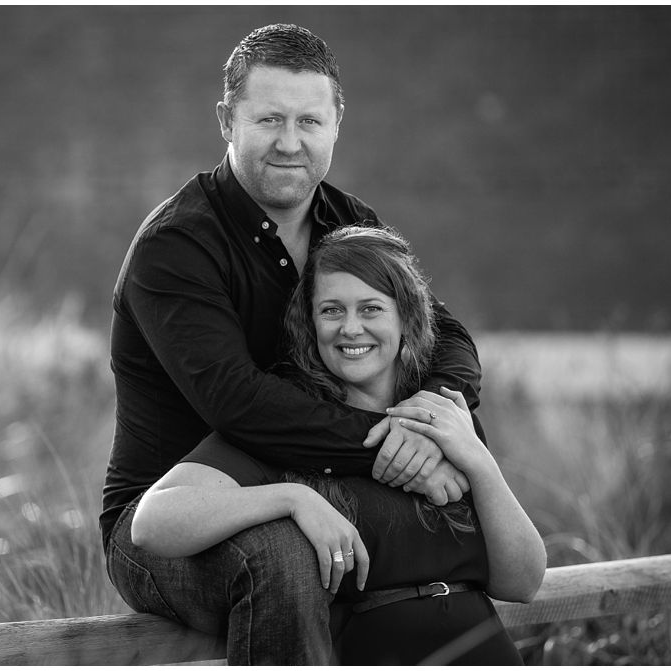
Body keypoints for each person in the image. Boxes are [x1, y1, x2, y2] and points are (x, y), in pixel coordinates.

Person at [102, 23, 485, 664]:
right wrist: (390, 450)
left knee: (435, 545)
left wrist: (435, 423)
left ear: (337, 122)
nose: (289, 142)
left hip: (321, 491)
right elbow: (238, 402)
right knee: (283, 554)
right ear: (228, 120)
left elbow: (443, 334)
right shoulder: (177, 246)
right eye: (269, 120)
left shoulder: (350, 223)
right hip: (171, 523)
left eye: (309, 121)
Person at [131, 226, 547, 664]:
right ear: (309, 323)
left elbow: (522, 581)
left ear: (406, 319)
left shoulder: (441, 419)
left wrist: (477, 460)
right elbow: (153, 521)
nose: (351, 328)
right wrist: (293, 498)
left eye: (371, 309)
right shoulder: (288, 427)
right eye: (331, 311)